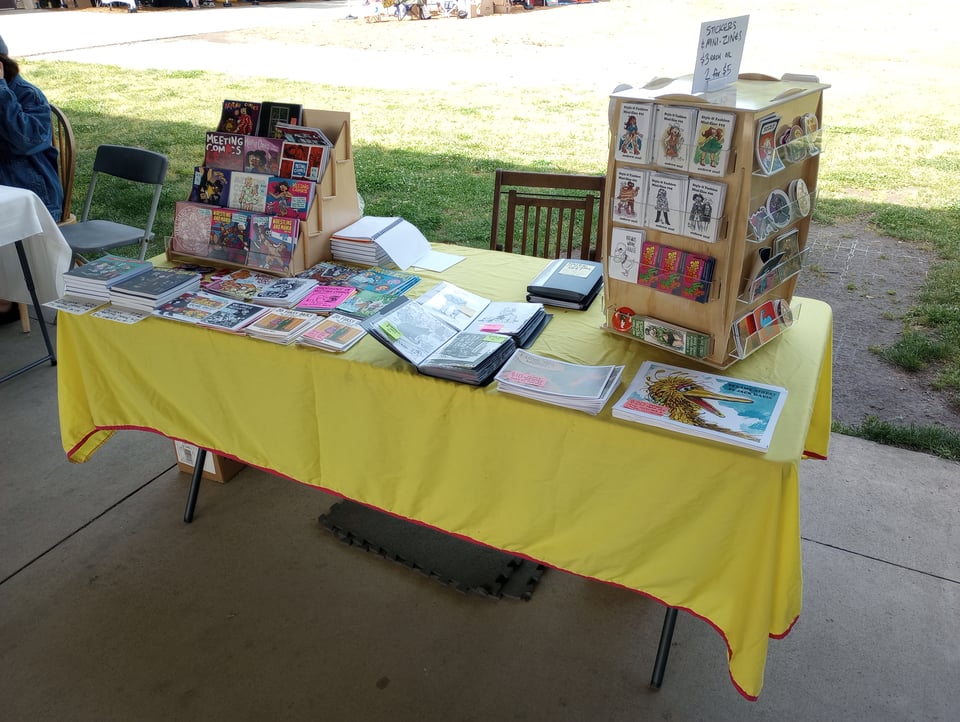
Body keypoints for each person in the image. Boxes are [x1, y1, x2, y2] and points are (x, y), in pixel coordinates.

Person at [0, 35, 64, 324]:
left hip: (33, 194)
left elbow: (24, 140)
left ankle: (7, 299)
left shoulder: (27, 95)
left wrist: (1, 94)